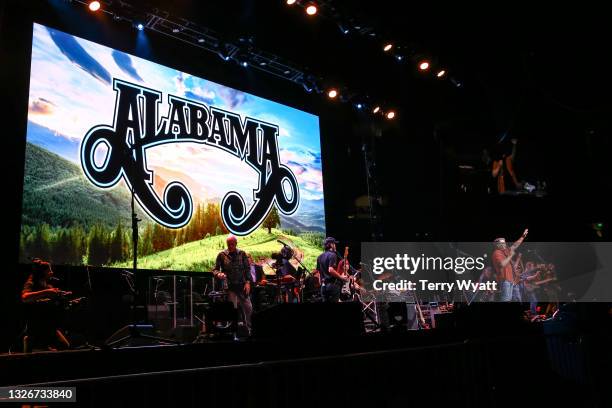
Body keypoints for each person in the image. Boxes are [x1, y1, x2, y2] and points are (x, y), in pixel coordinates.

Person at [21, 259, 71, 352]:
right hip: (36, 325)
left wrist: (69, 300)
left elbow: (51, 299)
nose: (52, 273)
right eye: (49, 271)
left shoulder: (46, 285)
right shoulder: (31, 282)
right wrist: (47, 292)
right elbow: (25, 297)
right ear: (42, 272)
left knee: (64, 346)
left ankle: (42, 345)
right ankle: (30, 341)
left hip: (49, 325)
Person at [212, 235, 253, 336]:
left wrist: (248, 282)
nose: (230, 246)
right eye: (228, 244)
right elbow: (215, 269)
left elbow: (247, 269)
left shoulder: (242, 254)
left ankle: (250, 329)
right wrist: (218, 274)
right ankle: (232, 333)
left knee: (248, 307)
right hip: (229, 287)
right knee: (232, 310)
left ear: (236, 244)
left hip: (242, 286)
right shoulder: (222, 255)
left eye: (232, 244)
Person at [491, 228, 528, 302]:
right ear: (498, 244)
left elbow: (515, 245)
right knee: (506, 299)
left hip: (511, 280)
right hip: (505, 280)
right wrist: (510, 256)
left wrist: (522, 236)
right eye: (503, 243)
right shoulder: (496, 253)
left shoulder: (505, 251)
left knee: (511, 299)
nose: (505, 244)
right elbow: (502, 264)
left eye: (505, 242)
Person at [315, 237, 349, 303]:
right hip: (332, 286)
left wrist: (321, 283)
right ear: (331, 245)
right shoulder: (332, 255)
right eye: (334, 244)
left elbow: (318, 272)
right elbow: (330, 269)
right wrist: (341, 277)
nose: (335, 246)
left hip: (323, 286)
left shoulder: (319, 257)